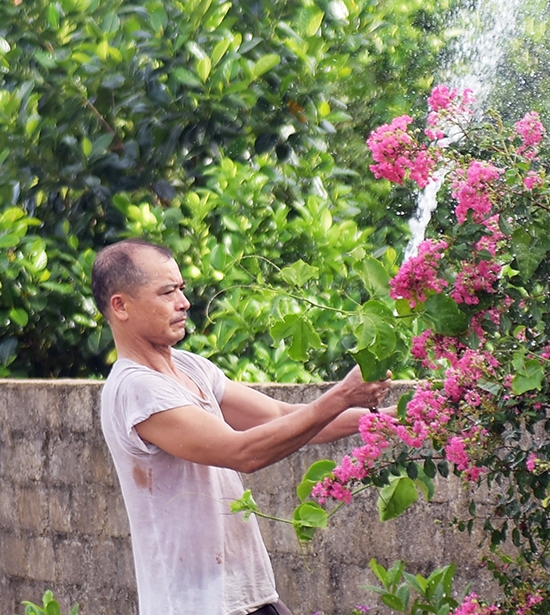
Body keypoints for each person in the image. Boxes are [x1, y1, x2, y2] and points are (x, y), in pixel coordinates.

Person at [94, 238, 391, 615]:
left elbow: (281, 417)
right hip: (195, 604)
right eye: (167, 292)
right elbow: (242, 452)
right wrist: (342, 395)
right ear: (121, 306)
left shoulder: (189, 367)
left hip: (248, 595)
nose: (183, 303)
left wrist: (387, 422)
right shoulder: (135, 389)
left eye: (181, 290)